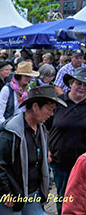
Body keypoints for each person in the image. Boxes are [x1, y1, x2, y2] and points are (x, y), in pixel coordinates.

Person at [0, 85, 67, 215]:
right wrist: (6, 193)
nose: (52, 114)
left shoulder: (41, 129)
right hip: (8, 197)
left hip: (31, 193)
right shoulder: (10, 133)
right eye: (49, 109)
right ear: (35, 107)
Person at [48, 67, 86, 215]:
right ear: (70, 84)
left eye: (85, 85)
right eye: (78, 83)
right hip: (60, 161)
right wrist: (46, 150)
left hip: (83, 165)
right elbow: (42, 127)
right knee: (64, 198)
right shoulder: (58, 102)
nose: (82, 87)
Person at [0, 62, 39, 134]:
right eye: (26, 76)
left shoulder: (28, 90)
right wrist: (7, 127)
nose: (28, 79)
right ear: (19, 76)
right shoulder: (7, 89)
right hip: (4, 128)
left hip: (20, 128)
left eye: (29, 76)